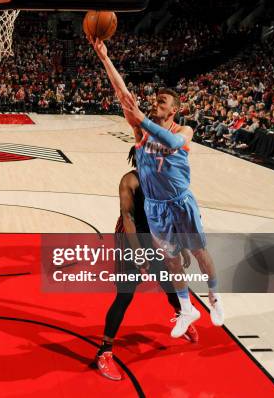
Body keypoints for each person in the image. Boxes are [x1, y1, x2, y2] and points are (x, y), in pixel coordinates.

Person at [89, 36, 224, 338]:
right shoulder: (133, 166)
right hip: (142, 227)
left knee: (181, 268)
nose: (154, 104)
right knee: (138, 287)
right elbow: (123, 94)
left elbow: (178, 144)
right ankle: (109, 347)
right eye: (155, 101)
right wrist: (104, 57)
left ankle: (197, 308)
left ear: (175, 109)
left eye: (161, 101)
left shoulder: (180, 132)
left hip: (168, 215)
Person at [95, 147, 198, 381]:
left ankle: (183, 315)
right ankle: (104, 352)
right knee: (124, 296)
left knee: (170, 286)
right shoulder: (129, 181)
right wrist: (139, 254)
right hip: (129, 240)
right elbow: (128, 218)